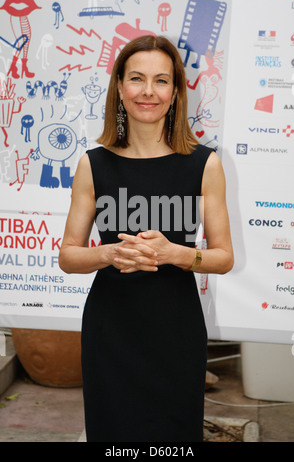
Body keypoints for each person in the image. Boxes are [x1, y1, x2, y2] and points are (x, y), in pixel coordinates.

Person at [59, 35, 234, 442]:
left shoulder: (204, 164)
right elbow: (69, 256)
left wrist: (175, 252)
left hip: (176, 331)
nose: (148, 91)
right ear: (119, 87)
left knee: (174, 439)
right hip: (110, 331)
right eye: (137, 79)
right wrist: (109, 253)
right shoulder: (93, 163)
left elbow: (223, 257)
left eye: (161, 80)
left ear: (175, 93)